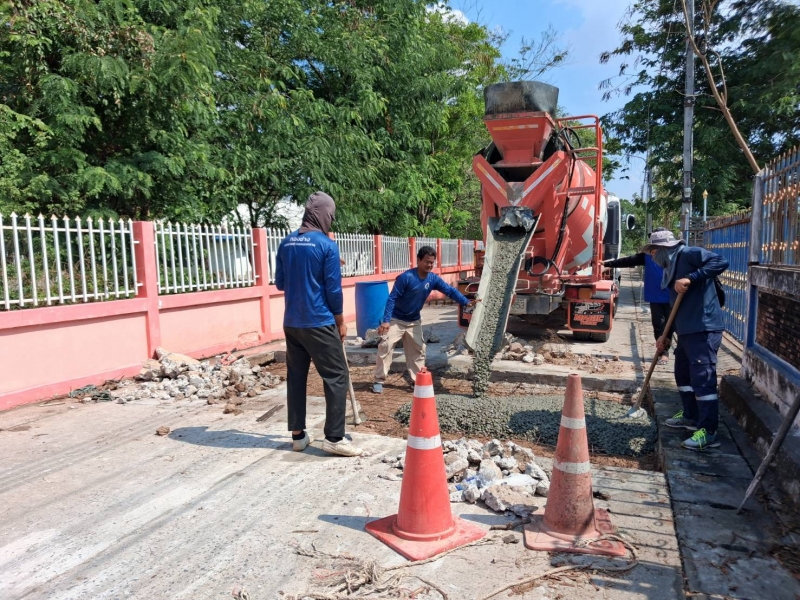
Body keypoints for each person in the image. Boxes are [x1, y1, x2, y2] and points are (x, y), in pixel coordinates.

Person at [275, 191, 362, 457]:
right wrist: (340, 321)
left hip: (292, 322)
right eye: (330, 215)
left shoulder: (286, 242)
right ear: (322, 214)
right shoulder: (327, 245)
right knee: (337, 375)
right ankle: (334, 437)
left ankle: (298, 436)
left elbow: (280, 283)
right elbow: (333, 290)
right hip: (319, 321)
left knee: (296, 376)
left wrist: (305, 273)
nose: (331, 219)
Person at [641, 229, 729, 451]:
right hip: (686, 331)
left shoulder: (689, 254)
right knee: (682, 374)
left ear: (664, 249)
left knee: (703, 380)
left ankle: (708, 431)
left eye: (653, 251)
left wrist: (691, 277)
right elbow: (674, 308)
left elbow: (721, 261)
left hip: (703, 328)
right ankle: (691, 416)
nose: (652, 256)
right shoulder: (670, 268)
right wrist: (665, 336)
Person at [372, 246, 479, 394]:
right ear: (419, 260)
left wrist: (465, 302)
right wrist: (386, 321)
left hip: (414, 321)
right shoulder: (406, 278)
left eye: (432, 262)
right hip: (397, 319)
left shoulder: (432, 278)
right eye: (427, 262)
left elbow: (449, 290)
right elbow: (392, 299)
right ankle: (378, 380)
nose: (429, 265)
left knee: (418, 350)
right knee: (385, 345)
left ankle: (417, 381)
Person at [603, 227, 673, 363]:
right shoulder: (647, 256)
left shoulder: (676, 255)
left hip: (673, 297)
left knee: (671, 326)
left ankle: (670, 350)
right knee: (658, 325)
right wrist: (607, 264)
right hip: (655, 297)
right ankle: (663, 353)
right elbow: (628, 261)